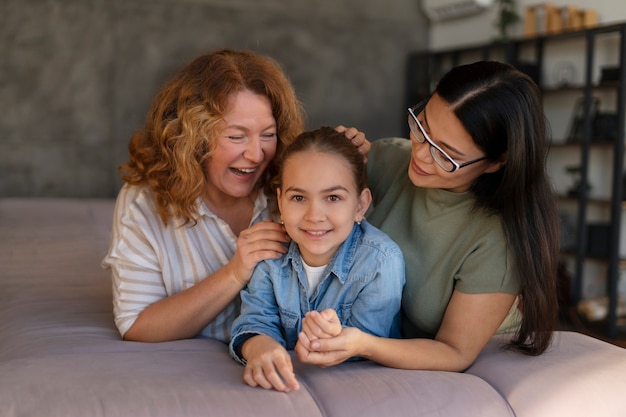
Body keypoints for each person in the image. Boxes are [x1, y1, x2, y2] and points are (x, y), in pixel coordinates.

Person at [295, 61, 560, 372]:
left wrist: (362, 343)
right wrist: (332, 157)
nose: (420, 154)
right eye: (422, 127)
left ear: (495, 162)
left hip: (449, 363)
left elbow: (454, 352)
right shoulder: (389, 158)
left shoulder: (496, 240)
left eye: (445, 154)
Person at [101, 49, 369, 343]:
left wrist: (349, 165)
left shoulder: (293, 186)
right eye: (236, 136)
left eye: (268, 134)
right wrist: (234, 273)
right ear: (190, 138)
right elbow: (137, 326)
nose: (256, 155)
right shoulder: (144, 203)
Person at [229, 126, 405, 392]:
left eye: (333, 197)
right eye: (298, 197)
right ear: (281, 201)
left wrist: (332, 338)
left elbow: (369, 346)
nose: (314, 215)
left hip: (359, 388)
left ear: (360, 205)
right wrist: (260, 347)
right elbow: (256, 320)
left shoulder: (380, 261)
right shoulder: (271, 251)